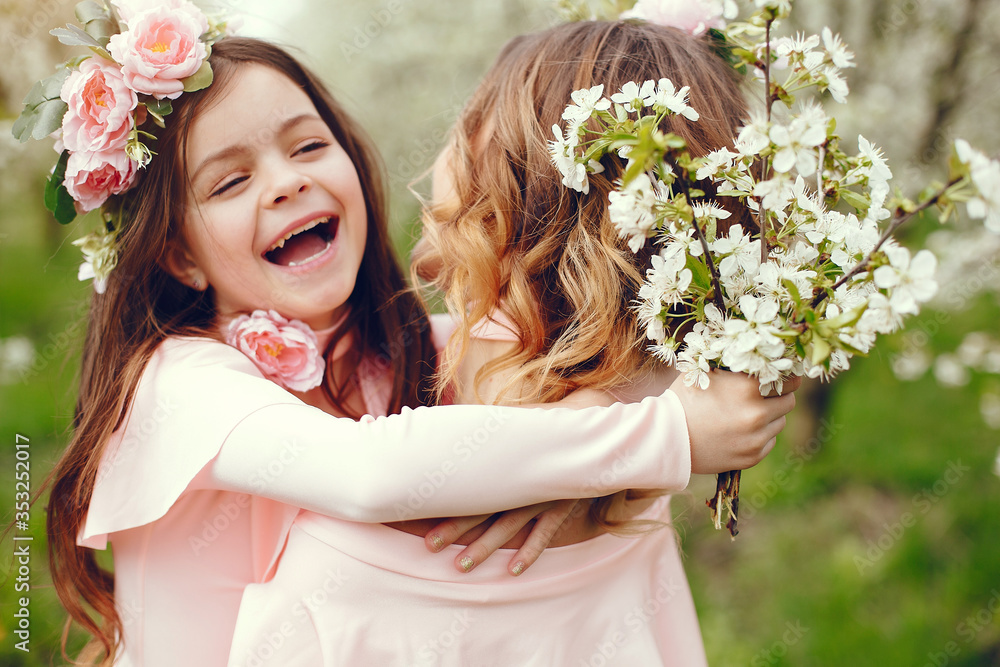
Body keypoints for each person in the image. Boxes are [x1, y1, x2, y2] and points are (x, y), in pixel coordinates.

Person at [33, 21, 790, 667]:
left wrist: (593, 440)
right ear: (179, 256)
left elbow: (593, 350)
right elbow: (367, 470)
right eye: (229, 183)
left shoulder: (399, 351)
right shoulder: (178, 381)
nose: (286, 183)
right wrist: (667, 436)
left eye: (308, 146)